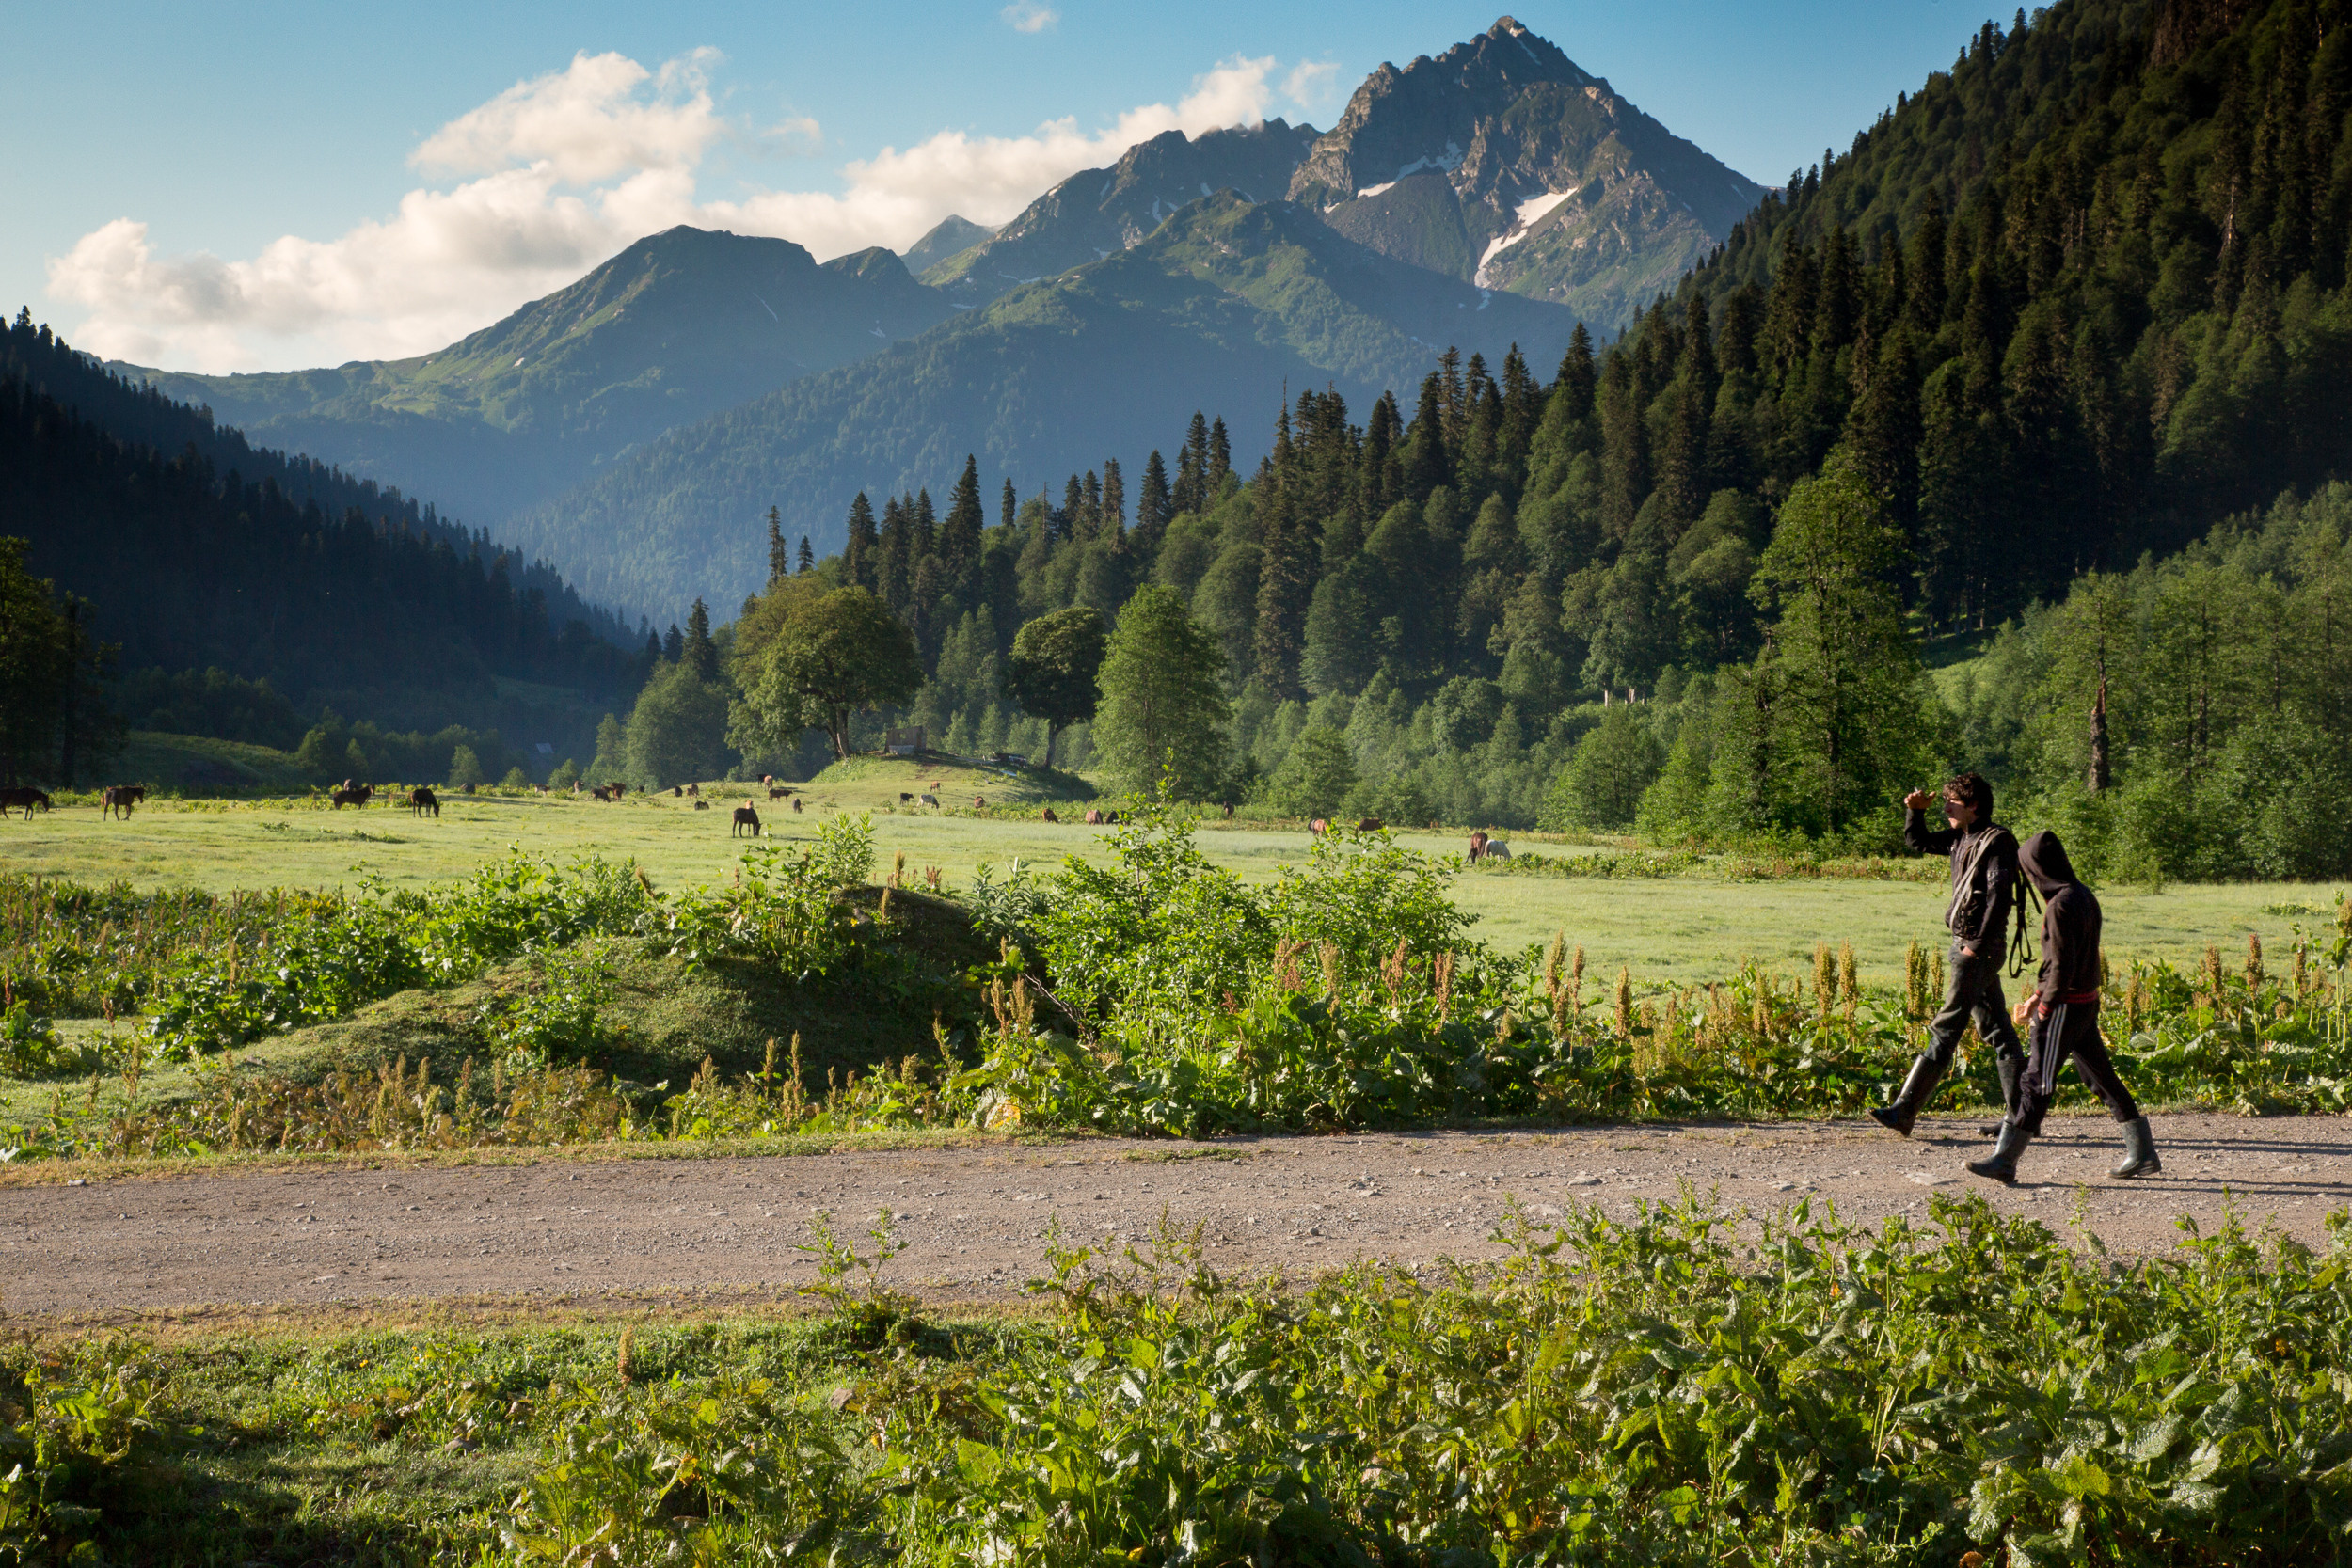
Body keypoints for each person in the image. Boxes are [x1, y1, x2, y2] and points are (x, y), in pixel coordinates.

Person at [1967, 829, 2160, 1183]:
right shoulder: (2083, 895)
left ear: (2038, 868)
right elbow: (2071, 960)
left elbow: (2061, 966)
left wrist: (2045, 1008)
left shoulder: (2059, 906)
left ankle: (2005, 1160)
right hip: (2084, 1003)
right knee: (2100, 1077)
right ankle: (2143, 1153)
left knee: (2036, 1081)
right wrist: (2038, 996)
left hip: (2064, 1007)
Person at [1869, 772, 2029, 1136]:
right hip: (1968, 947)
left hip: (1977, 949)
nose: (1945, 809)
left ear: (1974, 805)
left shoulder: (1997, 842)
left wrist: (1976, 946)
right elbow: (1918, 841)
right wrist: (1915, 811)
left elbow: (1999, 899)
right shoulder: (1961, 837)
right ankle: (2022, 1117)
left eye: (1951, 803)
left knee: (1946, 1027)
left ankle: (1903, 1112)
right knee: (1999, 1031)